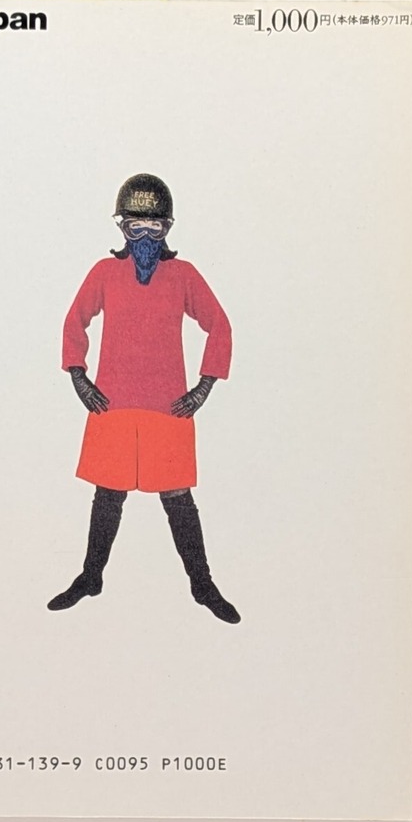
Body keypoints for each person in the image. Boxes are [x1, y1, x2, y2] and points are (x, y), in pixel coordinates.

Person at [48, 174, 240, 624]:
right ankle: (90, 577)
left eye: (155, 227)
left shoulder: (183, 276)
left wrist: (204, 386)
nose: (146, 237)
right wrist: (79, 376)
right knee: (107, 495)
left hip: (168, 407)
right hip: (112, 404)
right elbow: (75, 321)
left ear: (168, 227)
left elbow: (220, 325)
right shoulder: (104, 273)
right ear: (122, 228)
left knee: (178, 499)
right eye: (137, 227)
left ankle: (202, 585)